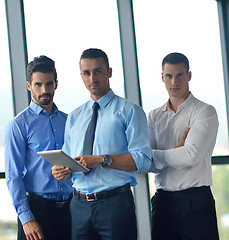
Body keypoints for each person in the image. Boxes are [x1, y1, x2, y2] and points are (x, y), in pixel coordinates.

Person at [52, 48, 153, 240]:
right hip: (79, 205)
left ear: (109, 72)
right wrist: (61, 170)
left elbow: (144, 160)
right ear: (81, 76)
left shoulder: (130, 111)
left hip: (115, 205)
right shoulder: (74, 117)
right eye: (86, 73)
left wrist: (101, 160)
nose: (92, 78)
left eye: (98, 71)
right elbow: (69, 158)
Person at [147, 52, 220, 240]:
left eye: (180, 75)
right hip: (162, 201)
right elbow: (146, 163)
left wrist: (156, 155)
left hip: (195, 201)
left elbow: (190, 156)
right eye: (169, 76)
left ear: (189, 75)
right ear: (162, 77)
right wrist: (176, 150)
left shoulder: (204, 112)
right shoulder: (153, 116)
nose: (174, 82)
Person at [5, 55, 73, 240]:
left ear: (56, 84)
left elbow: (78, 161)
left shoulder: (69, 121)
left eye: (49, 84)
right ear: (29, 86)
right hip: (37, 211)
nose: (45, 90)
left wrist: (71, 170)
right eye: (38, 85)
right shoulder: (18, 125)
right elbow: (13, 175)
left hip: (70, 210)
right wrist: (26, 219)